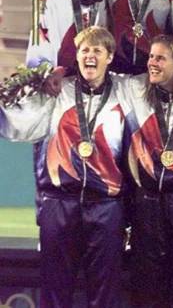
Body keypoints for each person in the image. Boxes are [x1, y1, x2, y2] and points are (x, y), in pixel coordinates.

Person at [1, 26, 127, 308]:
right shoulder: (56, 90)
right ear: (76, 56)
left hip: (106, 204)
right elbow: (17, 125)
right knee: (55, 288)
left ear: (109, 57)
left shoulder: (125, 90)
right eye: (84, 50)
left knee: (105, 291)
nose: (90, 56)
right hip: (59, 201)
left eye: (97, 50)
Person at [117, 35, 173, 306]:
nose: (152, 63)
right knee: (147, 281)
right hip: (148, 203)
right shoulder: (133, 89)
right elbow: (94, 74)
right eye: (151, 57)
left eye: (160, 58)